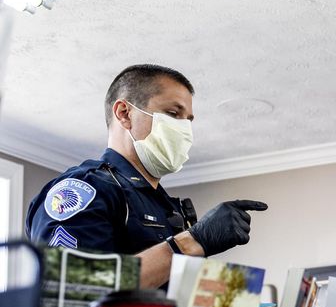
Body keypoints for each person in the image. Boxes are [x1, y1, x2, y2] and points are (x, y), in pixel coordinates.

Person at [26, 64, 267, 288]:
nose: (185, 130)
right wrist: (192, 241)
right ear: (124, 113)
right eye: (173, 113)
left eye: (188, 120)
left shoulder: (164, 205)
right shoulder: (83, 190)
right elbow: (74, 287)